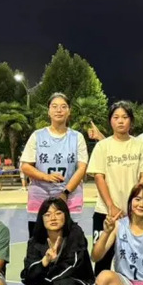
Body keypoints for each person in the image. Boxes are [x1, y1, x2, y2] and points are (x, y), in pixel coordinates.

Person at [87, 101, 143, 276]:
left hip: (134, 214)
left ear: (131, 121)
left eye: (125, 117)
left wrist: (135, 206)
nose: (120, 121)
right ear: (110, 121)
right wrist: (111, 206)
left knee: (132, 260)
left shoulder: (140, 145)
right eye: (116, 117)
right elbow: (99, 178)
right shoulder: (102, 146)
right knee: (102, 261)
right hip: (106, 213)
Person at [20, 93, 89, 237]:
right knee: (38, 241)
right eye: (54, 106)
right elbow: (25, 166)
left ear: (69, 111)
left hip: (70, 198)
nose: (59, 110)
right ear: (48, 111)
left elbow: (82, 168)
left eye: (63, 107)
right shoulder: (37, 136)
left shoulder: (77, 137)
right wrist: (46, 177)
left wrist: (65, 193)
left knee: (69, 241)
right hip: (40, 197)